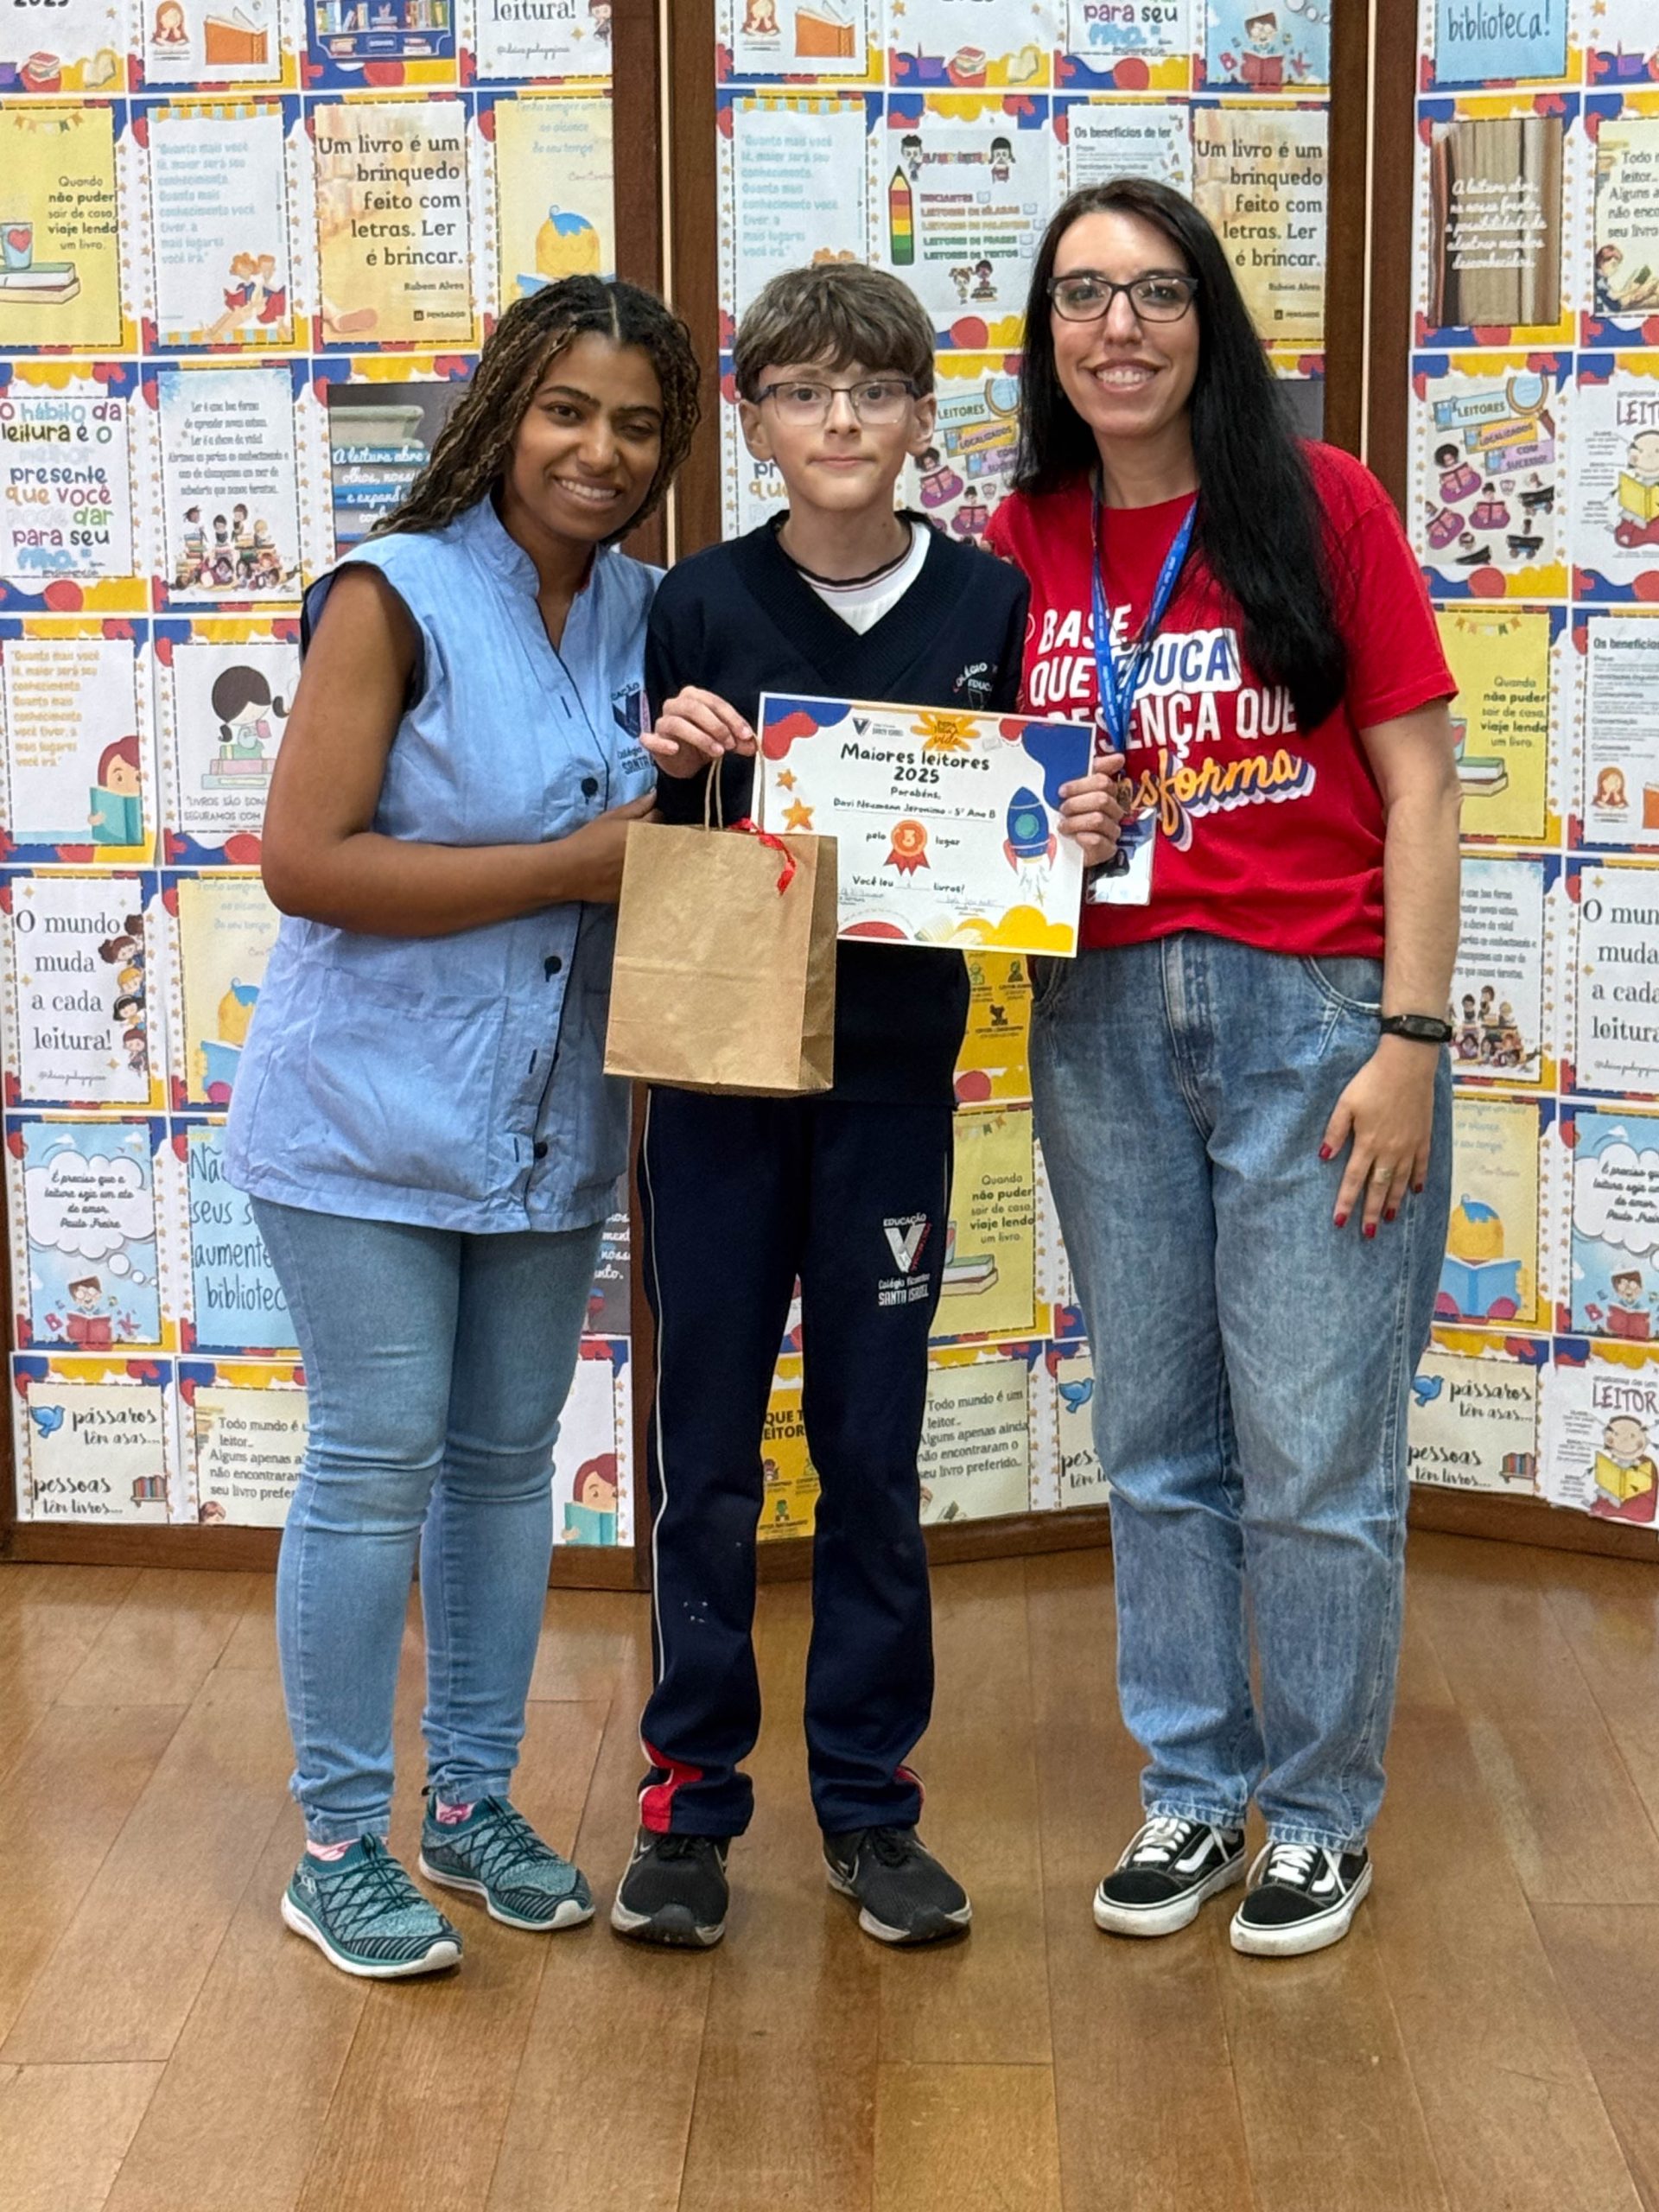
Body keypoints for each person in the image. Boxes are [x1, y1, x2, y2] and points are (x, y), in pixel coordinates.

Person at [607, 262, 1121, 1953]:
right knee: (704, 1458)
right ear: (752, 421)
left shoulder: (990, 602)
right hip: (719, 1089)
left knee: (872, 1455)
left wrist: (1082, 828)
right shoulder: (695, 603)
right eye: (804, 391)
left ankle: (870, 1804)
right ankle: (688, 1802)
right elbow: (653, 842)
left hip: (895, 1088)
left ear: (920, 416)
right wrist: (670, 767)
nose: (841, 420)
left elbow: (1029, 840)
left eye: (875, 390)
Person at [984, 178, 1459, 1958]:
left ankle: (1320, 1813)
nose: (1119, 327)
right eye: (1083, 295)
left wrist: (1413, 1039)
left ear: (1210, 320)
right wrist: (1060, 825)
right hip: (1103, 1019)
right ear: (1046, 333)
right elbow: (985, 809)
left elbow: (1423, 782)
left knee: (1316, 1452)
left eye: (1158, 291)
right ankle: (1193, 1785)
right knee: (1157, 1439)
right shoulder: (1019, 536)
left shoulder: (1321, 502)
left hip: (1314, 1019)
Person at [224, 276, 699, 1980]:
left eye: (637, 424)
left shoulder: (659, 614)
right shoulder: (394, 592)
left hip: (549, 1123)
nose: (599, 450)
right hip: (361, 1118)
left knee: (505, 1465)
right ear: (502, 413)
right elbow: (306, 863)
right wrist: (573, 866)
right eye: (566, 410)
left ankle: (471, 1804)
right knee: (375, 1462)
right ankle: (338, 1842)